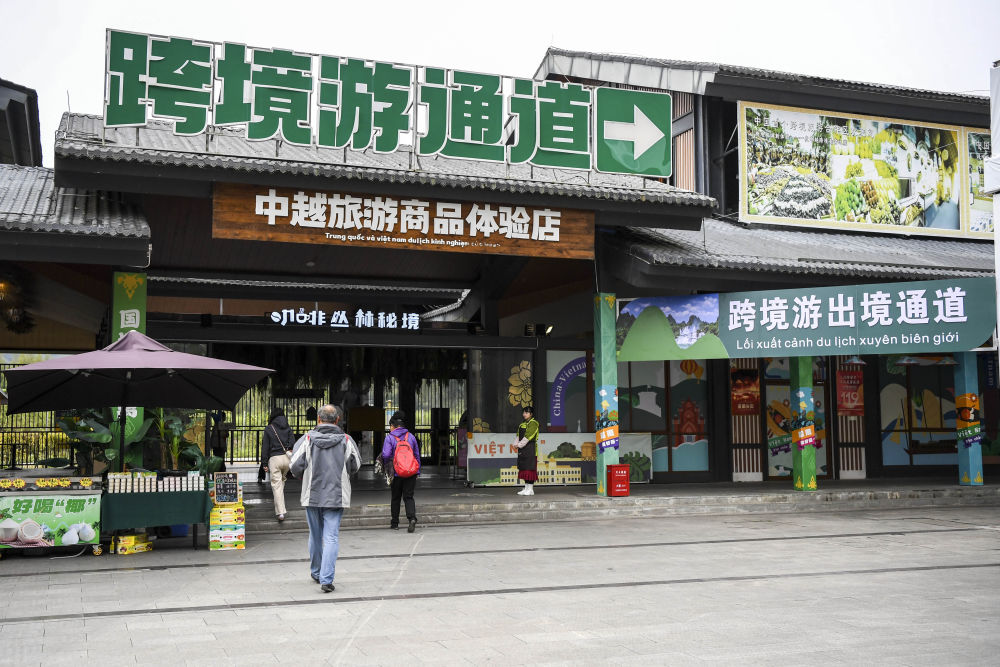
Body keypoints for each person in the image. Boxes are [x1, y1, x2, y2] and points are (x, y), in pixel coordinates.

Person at [289, 404, 361, 593]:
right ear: (337, 420)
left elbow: (294, 466)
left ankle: (316, 572)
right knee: (331, 537)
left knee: (315, 535)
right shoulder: (347, 440)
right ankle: (327, 579)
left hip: (312, 495)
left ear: (318, 420)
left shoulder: (306, 440)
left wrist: (304, 475)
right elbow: (356, 465)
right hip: (336, 496)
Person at [381, 410, 421, 532]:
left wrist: (388, 464)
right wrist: (417, 471)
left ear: (393, 426)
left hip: (396, 472)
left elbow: (386, 455)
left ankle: (395, 523)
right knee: (409, 497)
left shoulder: (390, 438)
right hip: (410, 472)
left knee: (396, 497)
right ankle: (412, 518)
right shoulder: (411, 437)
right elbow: (416, 455)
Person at [260, 407, 295, 522]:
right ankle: (281, 505)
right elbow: (292, 442)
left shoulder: (269, 428)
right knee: (281, 482)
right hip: (287, 459)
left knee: (277, 485)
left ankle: (281, 513)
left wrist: (264, 462)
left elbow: (265, 447)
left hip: (275, 459)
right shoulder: (288, 427)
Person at [513, 406, 539, 495]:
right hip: (522, 450)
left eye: (526, 413)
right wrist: (515, 444)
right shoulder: (522, 424)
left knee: (530, 469)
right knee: (524, 468)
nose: (524, 414)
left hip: (530, 449)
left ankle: (530, 489)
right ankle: (526, 488)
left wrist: (519, 445)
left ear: (531, 414)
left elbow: (528, 436)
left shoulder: (534, 423)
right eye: (524, 412)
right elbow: (518, 435)